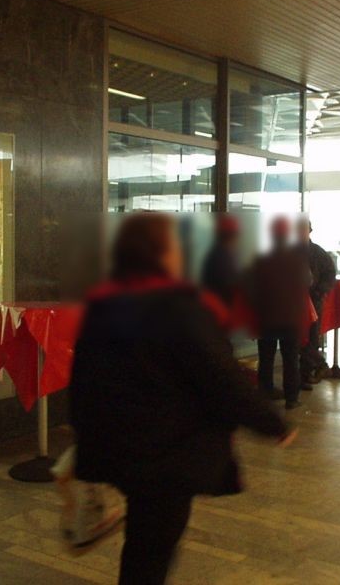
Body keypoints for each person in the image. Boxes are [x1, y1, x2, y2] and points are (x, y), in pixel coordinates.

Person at [69, 213, 296, 585]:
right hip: (166, 453)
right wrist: (272, 422)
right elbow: (221, 377)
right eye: (174, 246)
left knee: (145, 540)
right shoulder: (178, 309)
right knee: (153, 547)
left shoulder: (104, 306)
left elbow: (82, 382)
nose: (181, 253)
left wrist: (86, 436)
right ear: (158, 253)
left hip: (118, 445)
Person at [248, 216, 310, 409]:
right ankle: (292, 398)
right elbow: (308, 281)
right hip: (290, 316)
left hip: (266, 317)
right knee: (290, 358)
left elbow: (251, 287)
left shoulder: (261, 259)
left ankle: (265, 392)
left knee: (266, 357)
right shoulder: (296, 260)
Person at [296, 216, 336, 386]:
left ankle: (306, 375)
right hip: (295, 303)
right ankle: (318, 365)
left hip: (313, 302)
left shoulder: (319, 253)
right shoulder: (291, 251)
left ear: (309, 231)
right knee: (298, 339)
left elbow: (330, 275)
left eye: (303, 230)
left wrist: (320, 292)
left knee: (311, 338)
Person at [201, 214, 240, 307]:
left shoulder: (215, 254)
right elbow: (229, 289)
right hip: (220, 311)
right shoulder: (224, 258)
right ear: (232, 236)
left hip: (213, 309)